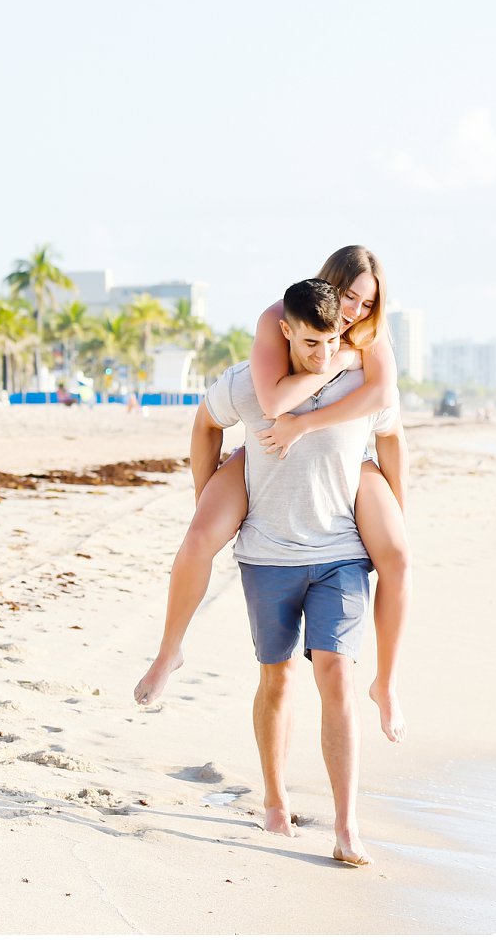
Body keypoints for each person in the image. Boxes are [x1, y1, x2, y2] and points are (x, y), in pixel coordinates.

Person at [133, 245, 412, 747]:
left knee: (398, 555)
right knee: (198, 538)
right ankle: (168, 651)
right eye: (349, 297)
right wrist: (208, 494)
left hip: (349, 457)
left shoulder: (370, 337)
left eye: (367, 304)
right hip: (264, 452)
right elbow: (272, 402)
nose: (355, 312)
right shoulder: (277, 319)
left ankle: (386, 685)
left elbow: (384, 405)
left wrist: (394, 502)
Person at [193, 278, 402, 866]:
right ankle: (276, 800)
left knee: (335, 672)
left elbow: (391, 439)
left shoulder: (365, 379)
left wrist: (397, 516)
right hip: (269, 554)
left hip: (341, 553)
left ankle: (346, 825)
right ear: (287, 331)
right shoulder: (250, 382)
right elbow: (205, 420)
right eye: (312, 340)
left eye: (333, 338)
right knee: (277, 678)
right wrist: (211, 493)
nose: (324, 350)